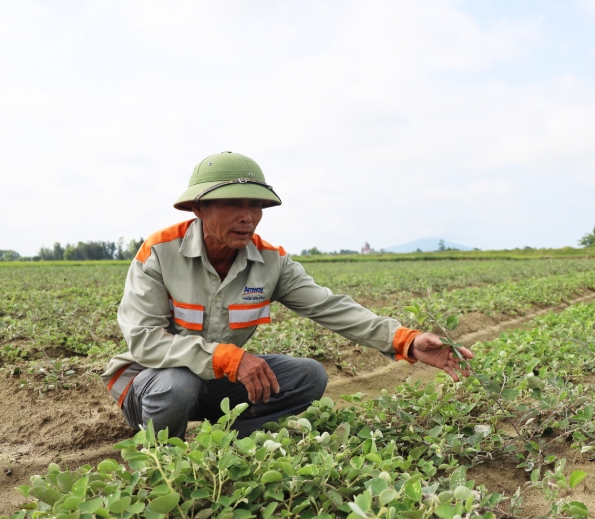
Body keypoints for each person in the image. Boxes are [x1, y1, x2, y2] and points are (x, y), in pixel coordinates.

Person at [101, 152, 474, 439]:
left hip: (211, 382)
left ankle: (228, 446)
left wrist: (404, 339)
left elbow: (329, 306)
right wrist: (228, 357)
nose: (248, 216)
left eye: (256, 205)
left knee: (308, 376)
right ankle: (163, 458)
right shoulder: (160, 252)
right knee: (177, 384)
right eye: (234, 204)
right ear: (199, 208)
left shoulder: (270, 262)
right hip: (150, 382)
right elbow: (144, 340)